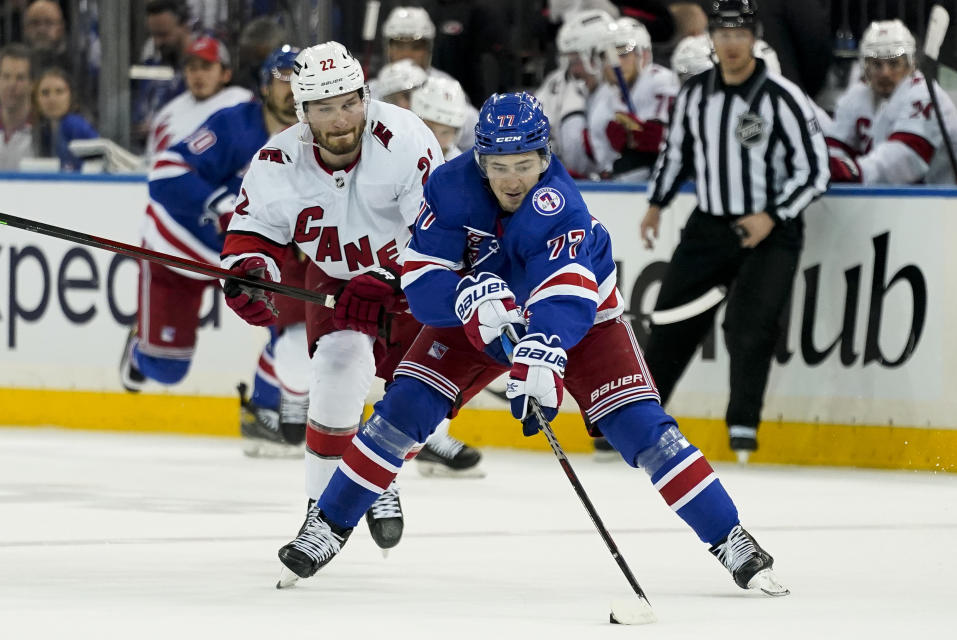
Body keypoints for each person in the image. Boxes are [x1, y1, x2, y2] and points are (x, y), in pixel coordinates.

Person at [270, 90, 789, 600]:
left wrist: (542, 349)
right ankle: (328, 526)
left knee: (645, 432)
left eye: (524, 164)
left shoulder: (561, 205)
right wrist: (466, 296)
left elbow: (567, 295)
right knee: (400, 413)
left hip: (581, 325)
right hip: (476, 316)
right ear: (480, 159)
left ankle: (730, 538)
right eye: (498, 165)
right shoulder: (450, 187)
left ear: (544, 157)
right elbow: (423, 279)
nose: (512, 179)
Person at [220, 41, 479, 561]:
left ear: (365, 95)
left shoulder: (406, 139)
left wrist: (388, 277)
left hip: (416, 283)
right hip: (335, 279)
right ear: (301, 111)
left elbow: (439, 234)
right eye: (323, 107)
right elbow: (251, 237)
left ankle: (379, 474)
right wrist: (249, 276)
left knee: (412, 400)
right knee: (338, 369)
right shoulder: (277, 160)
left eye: (348, 103)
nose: (340, 120)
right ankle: (321, 510)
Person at [642, 0, 829, 462]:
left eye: (739, 34)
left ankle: (742, 427)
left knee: (749, 326)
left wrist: (774, 216)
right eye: (722, 34)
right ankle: (637, 421)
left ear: (754, 37)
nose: (730, 43)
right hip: (709, 227)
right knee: (669, 321)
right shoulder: (694, 94)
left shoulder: (783, 96)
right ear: (712, 40)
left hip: (772, 230)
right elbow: (675, 153)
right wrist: (656, 205)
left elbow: (815, 171)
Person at [119, 45, 307, 458]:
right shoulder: (236, 124)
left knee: (299, 322)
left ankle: (262, 411)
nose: (293, 87)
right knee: (167, 370)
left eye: (301, 76)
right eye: (283, 77)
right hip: (179, 250)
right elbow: (165, 173)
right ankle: (139, 349)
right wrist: (220, 202)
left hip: (245, 258)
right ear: (264, 83)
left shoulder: (314, 138)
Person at [825, 19, 957, 185]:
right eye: (876, 64)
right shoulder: (857, 96)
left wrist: (853, 170)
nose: (885, 73)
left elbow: (903, 160)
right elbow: (833, 149)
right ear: (865, 66)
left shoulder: (925, 95)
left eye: (894, 63)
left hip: (946, 202)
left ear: (911, 64)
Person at [587, 16, 679, 181]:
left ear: (642, 54)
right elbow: (604, 161)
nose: (615, 63)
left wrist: (637, 137)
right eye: (607, 56)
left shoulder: (661, 81)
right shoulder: (604, 98)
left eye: (623, 53)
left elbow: (667, 141)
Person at [379, 5, 479, 150]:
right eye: (399, 45)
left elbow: (477, 139)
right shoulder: (371, 90)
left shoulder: (447, 87)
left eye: (415, 46)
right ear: (388, 48)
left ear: (428, 49)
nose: (407, 53)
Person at [535, 8, 615, 178]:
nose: (574, 70)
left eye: (577, 60)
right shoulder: (559, 81)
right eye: (570, 61)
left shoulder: (620, 89)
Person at [145, 36, 253, 161]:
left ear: (226, 74)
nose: (198, 75)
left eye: (206, 67)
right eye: (192, 68)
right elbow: (151, 164)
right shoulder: (167, 116)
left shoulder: (242, 103)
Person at [132, 0, 193, 151]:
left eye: (164, 35)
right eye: (153, 35)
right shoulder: (151, 66)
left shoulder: (202, 72)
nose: (158, 42)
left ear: (184, 27)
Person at [31, 66, 98, 171]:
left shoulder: (75, 125)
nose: (52, 99)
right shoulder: (42, 131)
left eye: (59, 91)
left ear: (71, 96)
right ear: (36, 99)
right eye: (45, 92)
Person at [410, 75, 469, 161]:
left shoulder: (459, 165)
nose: (436, 141)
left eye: (445, 133)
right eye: (430, 129)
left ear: (456, 134)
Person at [0, 43, 34, 171]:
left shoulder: (43, 130)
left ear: (32, 84)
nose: (11, 84)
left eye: (20, 78)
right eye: (6, 76)